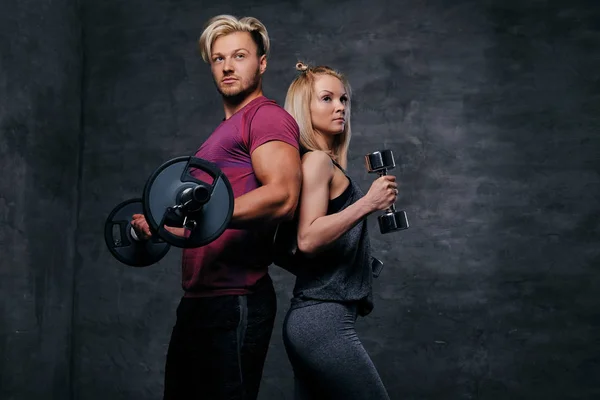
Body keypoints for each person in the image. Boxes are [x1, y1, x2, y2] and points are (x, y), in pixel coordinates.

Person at [130, 15, 302, 400]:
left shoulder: (266, 117)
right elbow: (204, 230)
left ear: (261, 63)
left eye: (239, 55)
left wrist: (202, 216)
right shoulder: (219, 135)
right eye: (218, 58)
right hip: (198, 300)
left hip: (236, 297)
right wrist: (160, 226)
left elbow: (283, 195)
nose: (227, 66)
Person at [274, 62, 397, 400]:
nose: (340, 106)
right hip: (323, 321)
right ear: (305, 108)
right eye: (326, 99)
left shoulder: (321, 161)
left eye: (343, 99)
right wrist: (367, 203)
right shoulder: (316, 161)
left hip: (315, 318)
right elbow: (308, 238)